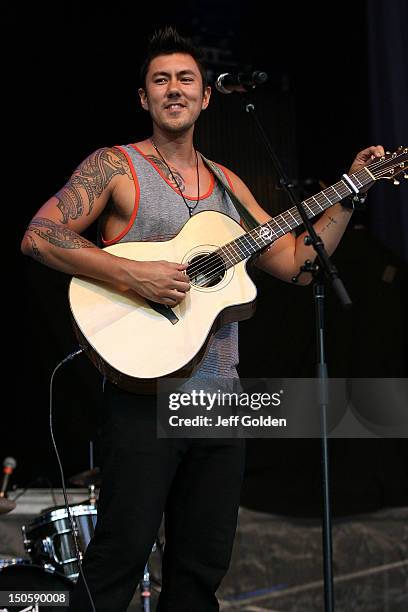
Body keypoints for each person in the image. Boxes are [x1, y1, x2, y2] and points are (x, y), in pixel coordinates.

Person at [21, 26, 384, 612]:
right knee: (120, 556)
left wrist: (350, 189)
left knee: (199, 572)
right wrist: (130, 275)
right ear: (144, 98)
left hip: (221, 400)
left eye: (185, 79)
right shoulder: (115, 167)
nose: (174, 89)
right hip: (146, 393)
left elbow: (296, 263)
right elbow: (38, 235)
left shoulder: (228, 184)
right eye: (160, 80)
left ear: (205, 96)